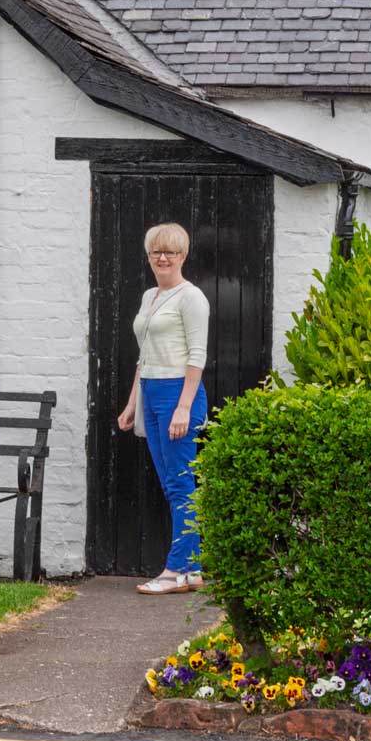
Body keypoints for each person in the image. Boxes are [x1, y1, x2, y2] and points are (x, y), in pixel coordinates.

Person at [116, 222, 211, 595]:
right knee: (173, 484)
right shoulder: (149, 296)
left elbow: (197, 356)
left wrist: (184, 407)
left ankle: (175, 572)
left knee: (180, 484)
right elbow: (144, 356)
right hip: (151, 392)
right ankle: (193, 570)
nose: (162, 257)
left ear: (183, 256)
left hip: (177, 393)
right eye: (157, 251)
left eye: (170, 251)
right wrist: (131, 403)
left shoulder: (192, 298)